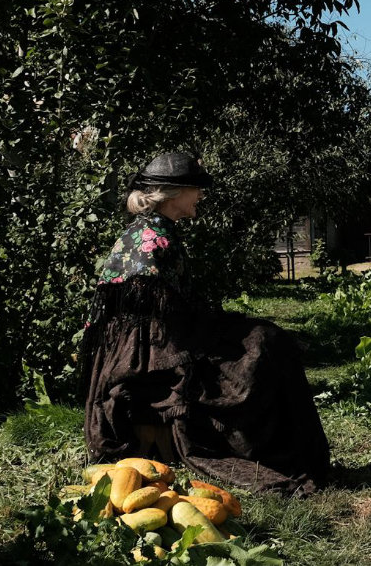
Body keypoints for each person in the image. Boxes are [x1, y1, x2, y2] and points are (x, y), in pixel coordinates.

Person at [82, 151, 330, 495]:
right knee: (265, 347)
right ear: (174, 193)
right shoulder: (151, 240)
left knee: (267, 339)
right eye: (196, 189)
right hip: (155, 353)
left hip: (167, 336)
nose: (201, 196)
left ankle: (287, 450)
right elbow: (152, 328)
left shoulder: (156, 229)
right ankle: (280, 454)